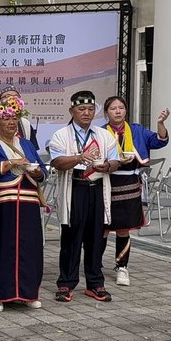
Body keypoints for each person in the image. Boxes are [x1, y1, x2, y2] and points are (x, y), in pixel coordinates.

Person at [49, 90, 119, 303]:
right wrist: (80, 157)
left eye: (90, 109)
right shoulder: (61, 134)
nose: (86, 113)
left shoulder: (103, 134)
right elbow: (57, 162)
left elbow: (116, 161)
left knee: (96, 238)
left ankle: (95, 283)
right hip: (75, 188)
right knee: (71, 237)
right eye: (81, 109)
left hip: (97, 188)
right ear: (72, 111)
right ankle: (66, 283)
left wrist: (108, 165)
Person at [0, 97, 47, 311]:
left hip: (27, 204)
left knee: (30, 247)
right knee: (2, 247)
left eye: (14, 118)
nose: (11, 123)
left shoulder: (26, 144)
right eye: (6, 119)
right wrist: (11, 163)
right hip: (2, 206)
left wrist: (37, 172)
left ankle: (28, 293)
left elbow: (43, 170)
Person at [101, 96, 169, 286]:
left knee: (124, 229)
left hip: (130, 182)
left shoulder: (137, 131)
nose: (117, 111)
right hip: (107, 182)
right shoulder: (100, 132)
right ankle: (94, 264)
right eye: (113, 108)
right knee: (103, 228)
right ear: (106, 112)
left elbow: (159, 141)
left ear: (126, 111)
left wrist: (160, 123)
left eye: (121, 107)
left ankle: (122, 267)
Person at [0, 85, 39, 151]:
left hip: (23, 159)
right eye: (7, 96)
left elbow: (33, 150)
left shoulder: (26, 123)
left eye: (16, 97)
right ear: (0, 101)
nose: (12, 99)